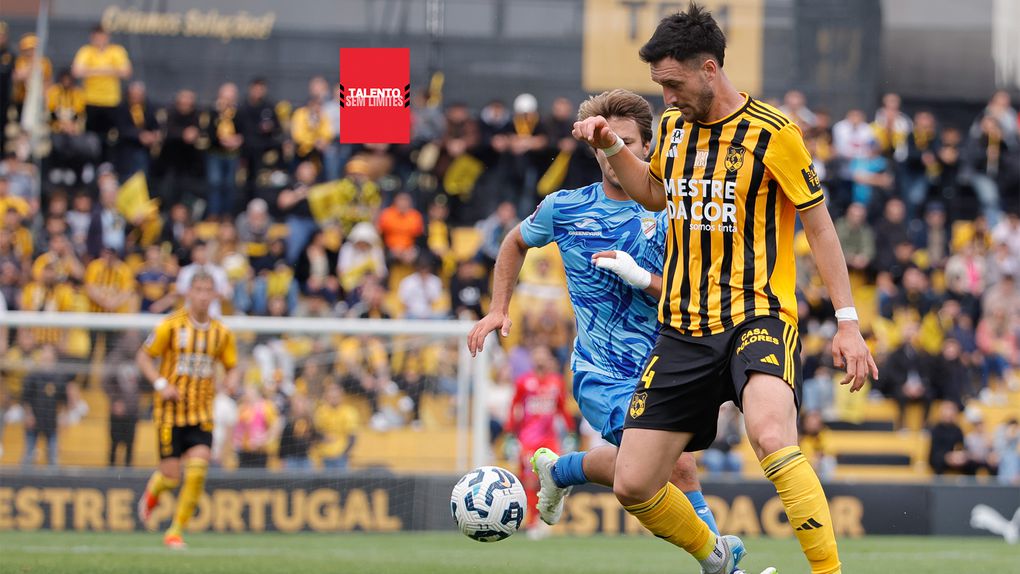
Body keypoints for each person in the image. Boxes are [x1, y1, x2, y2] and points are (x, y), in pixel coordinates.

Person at [570, 6, 877, 573]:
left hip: (756, 316)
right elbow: (656, 194)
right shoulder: (677, 130)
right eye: (659, 85)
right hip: (683, 328)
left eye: (673, 84)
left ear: (709, 69)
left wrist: (849, 321)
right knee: (634, 483)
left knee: (768, 431)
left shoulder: (775, 134)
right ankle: (715, 557)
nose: (665, 97)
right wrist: (614, 146)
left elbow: (820, 225)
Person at [467, 88, 736, 564]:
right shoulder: (566, 209)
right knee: (674, 464)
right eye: (609, 141)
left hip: (668, 366)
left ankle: (563, 471)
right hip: (603, 372)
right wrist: (497, 307)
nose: (619, 152)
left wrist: (641, 277)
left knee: (677, 469)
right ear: (595, 149)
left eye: (629, 141)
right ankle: (721, 560)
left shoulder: (676, 210)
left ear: (648, 148)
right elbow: (513, 242)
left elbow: (693, 292)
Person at [135, 271, 240, 549]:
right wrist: (160, 384)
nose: (203, 296)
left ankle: (175, 531)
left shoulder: (222, 333)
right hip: (170, 412)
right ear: (189, 293)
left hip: (202, 413)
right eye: (199, 290)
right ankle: (152, 492)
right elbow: (144, 356)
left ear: (215, 295)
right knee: (171, 477)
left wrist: (231, 382)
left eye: (209, 290)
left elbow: (232, 367)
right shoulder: (170, 326)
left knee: (197, 470)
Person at [504, 345, 574, 537]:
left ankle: (542, 521)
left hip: (549, 439)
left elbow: (562, 409)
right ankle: (531, 522)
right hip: (528, 439)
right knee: (529, 480)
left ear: (549, 359)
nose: (540, 358)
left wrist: (570, 433)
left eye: (543, 354)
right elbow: (514, 407)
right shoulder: (523, 382)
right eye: (537, 354)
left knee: (551, 480)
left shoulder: (556, 382)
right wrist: (511, 434)